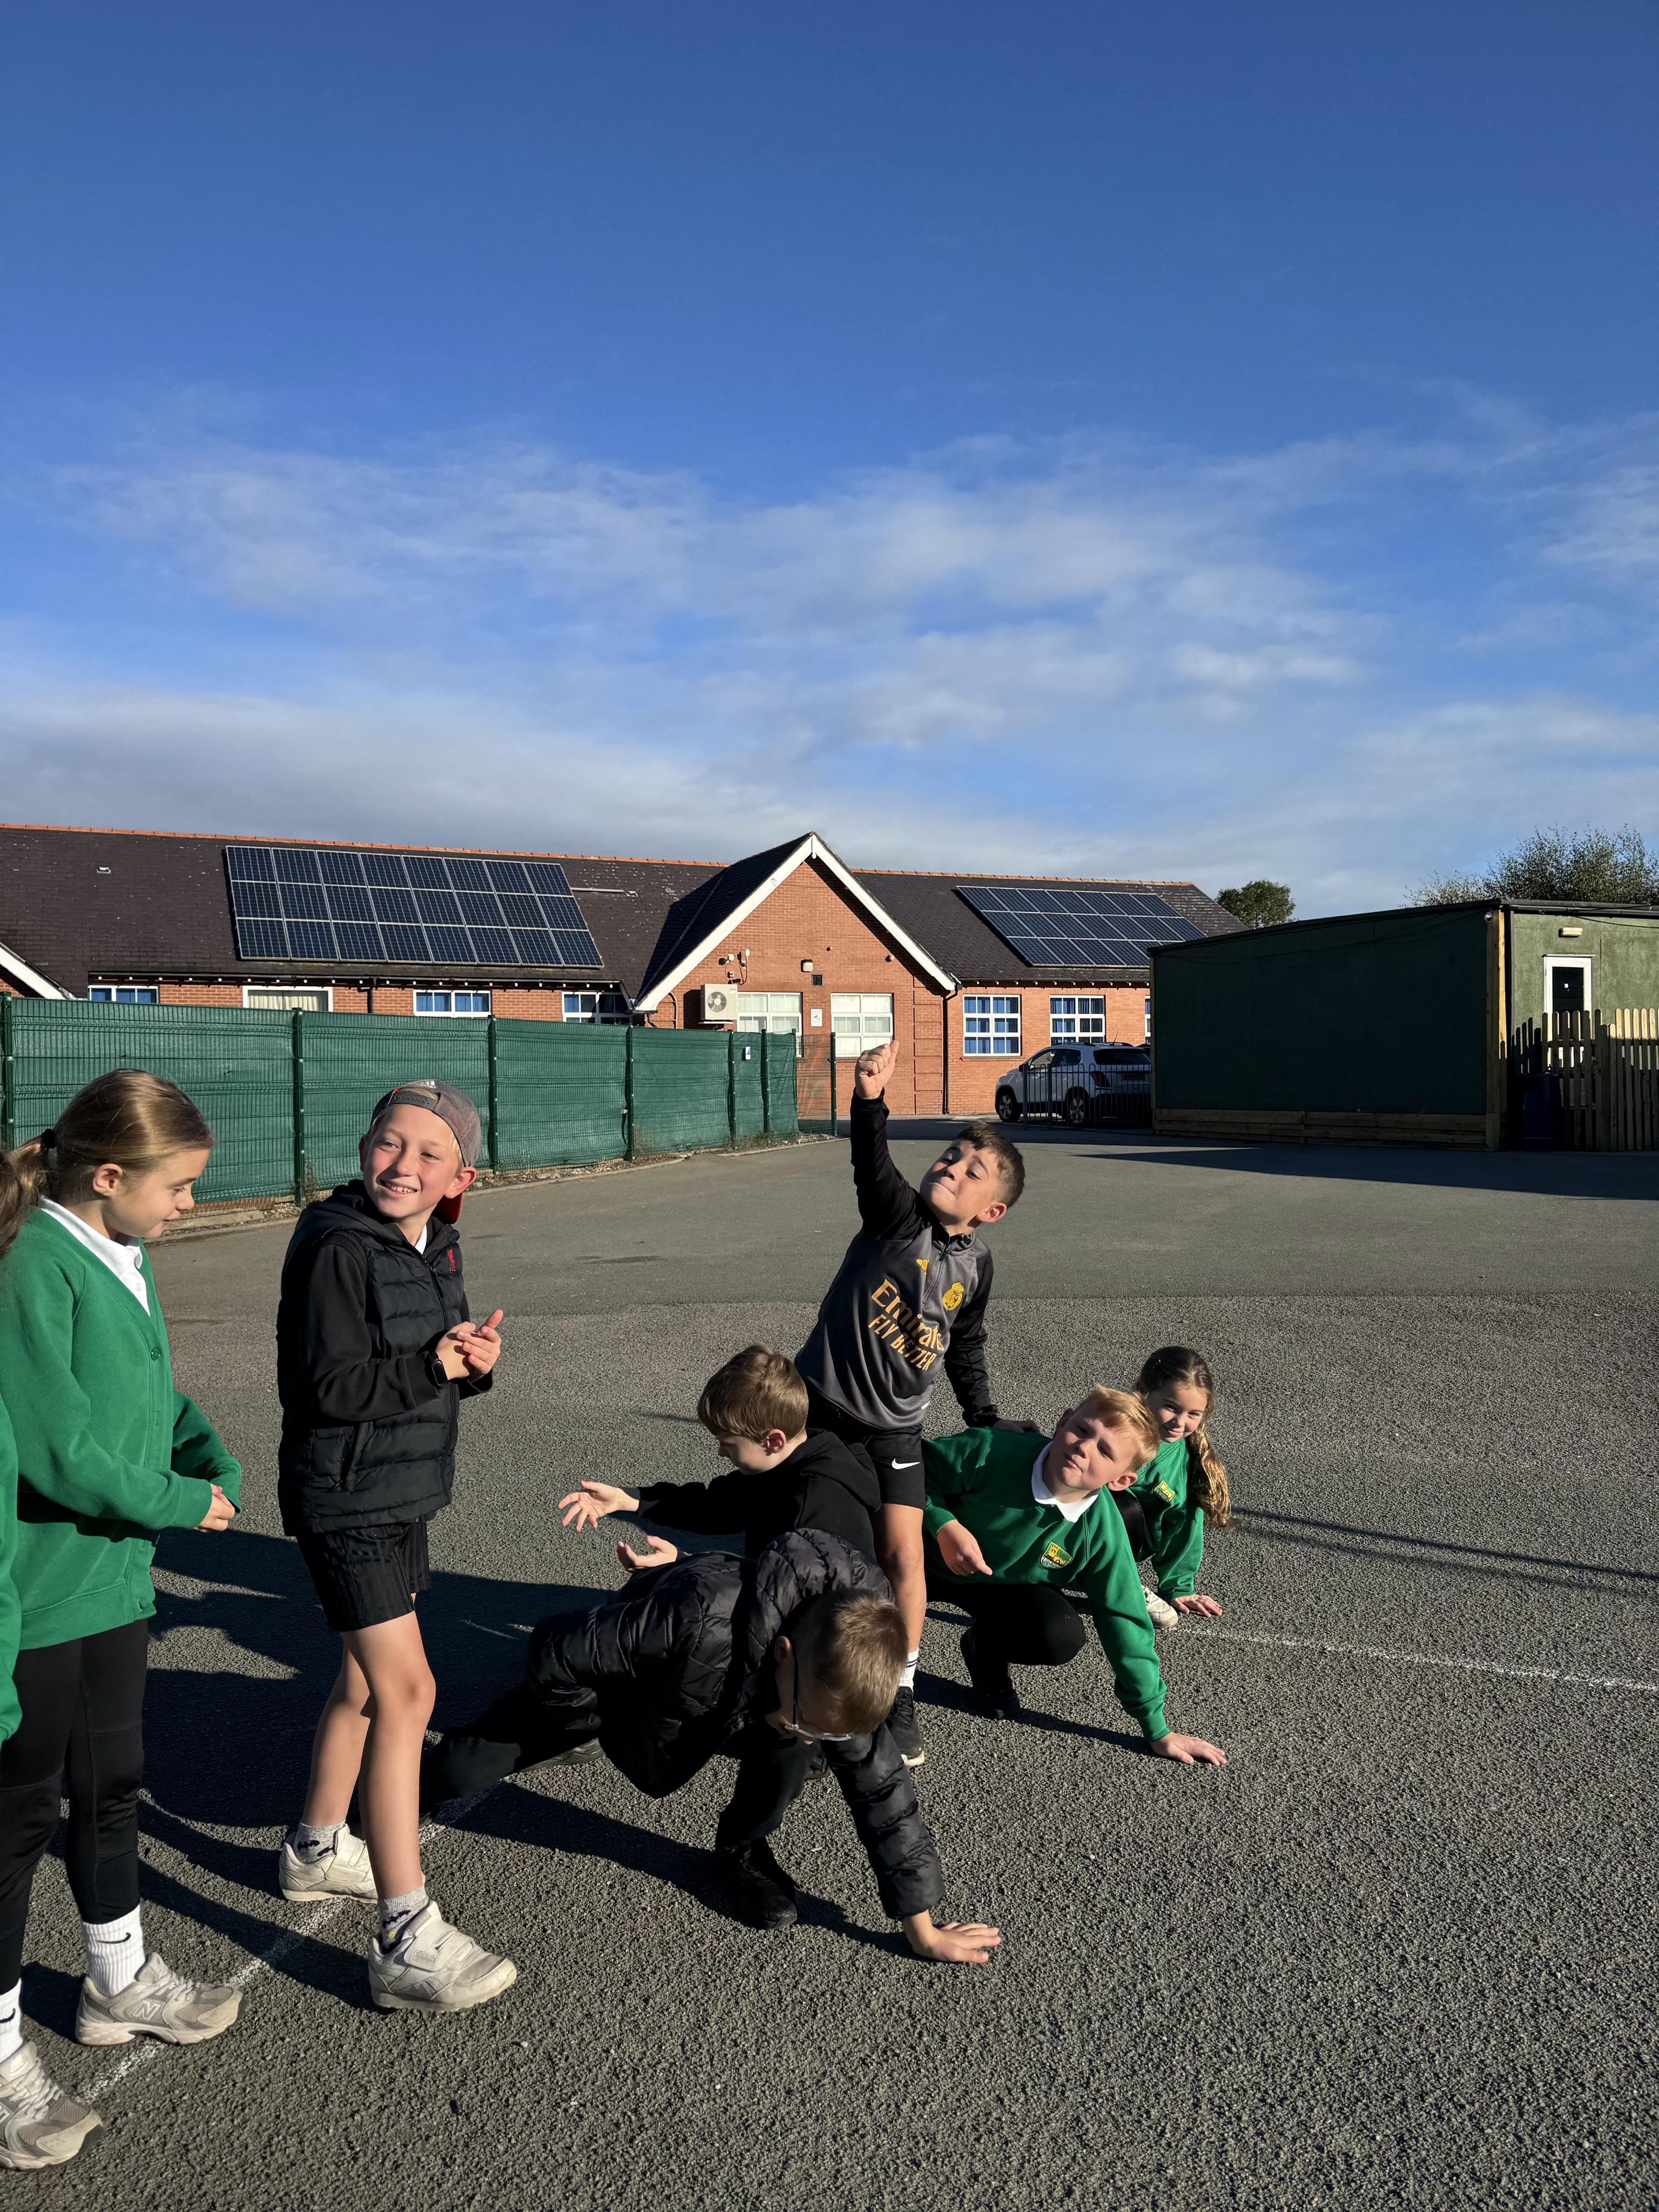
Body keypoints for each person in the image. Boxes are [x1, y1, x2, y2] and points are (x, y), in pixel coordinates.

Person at [0, 1075, 245, 2173]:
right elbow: (59, 1451)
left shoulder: (124, 1251)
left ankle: (116, 1979)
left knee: (111, 1786)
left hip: (115, 1584)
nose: (190, 1202)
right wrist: (179, 1500)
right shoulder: (32, 1265)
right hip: (44, 1591)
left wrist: (202, 1450)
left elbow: (146, 1395)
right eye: (178, 1184)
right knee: (15, 1821)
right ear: (109, 1176)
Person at [422, 1528, 1002, 1964]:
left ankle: (741, 1850)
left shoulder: (845, 1672)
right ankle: (396, 1796)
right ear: (783, 1653)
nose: (815, 1737)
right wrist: (600, 1722)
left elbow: (885, 1795)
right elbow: (555, 1651)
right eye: (811, 1720)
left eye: (828, 1731)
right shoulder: (694, 1615)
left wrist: (921, 1927)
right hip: (634, 1681)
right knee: (461, 1769)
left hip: (741, 1696)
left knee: (792, 1747)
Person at [274, 1080, 512, 2014]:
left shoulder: (435, 1242)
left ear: (461, 1179)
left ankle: (314, 1848)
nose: (402, 1164)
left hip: (398, 1489)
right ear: (364, 1143)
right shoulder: (338, 1246)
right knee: (410, 1690)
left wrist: (471, 1363)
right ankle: (405, 1935)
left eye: (428, 1153)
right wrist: (433, 1364)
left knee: (366, 1682)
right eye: (389, 1142)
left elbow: (432, 1358)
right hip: (347, 1498)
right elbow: (326, 1387)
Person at [794, 1036, 1023, 1767]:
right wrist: (869, 1099)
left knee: (905, 1558)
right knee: (808, 1541)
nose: (951, 1167)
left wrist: (984, 1416)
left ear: (992, 1210)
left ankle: (900, 1687)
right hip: (822, 1409)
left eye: (971, 1170)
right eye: (951, 1156)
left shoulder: (976, 1264)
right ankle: (796, 1676)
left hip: (896, 1429)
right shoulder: (898, 1220)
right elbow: (873, 1167)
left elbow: (965, 1344)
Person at [922, 1388, 1226, 1765]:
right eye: (1082, 1430)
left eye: (1105, 1452)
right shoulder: (991, 1450)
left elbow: (1125, 1619)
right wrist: (941, 1523)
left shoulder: (1100, 1530)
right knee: (870, 1624)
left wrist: (1157, 1729)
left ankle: (984, 1646)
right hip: (918, 1560)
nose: (1084, 1448)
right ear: (1063, 1421)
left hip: (998, 1585)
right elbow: (904, 1471)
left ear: (1121, 1481)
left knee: (1059, 1635)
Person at [557, 1344, 880, 1562]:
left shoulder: (814, 1508)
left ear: (773, 1441)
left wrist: (680, 1565)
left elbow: (774, 1595)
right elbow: (715, 1506)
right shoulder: (787, 1464)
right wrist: (626, 1499)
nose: (721, 1452)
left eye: (728, 1443)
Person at [1126, 1346, 1230, 1632]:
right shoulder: (1109, 1424)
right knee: (1112, 1498)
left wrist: (1178, 1587)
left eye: (1193, 1413)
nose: (1180, 1422)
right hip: (1068, 1522)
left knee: (1125, 1509)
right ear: (1144, 1391)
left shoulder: (1184, 1462)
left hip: (1120, 1539)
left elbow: (1184, 1525)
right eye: (1171, 1407)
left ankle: (1119, 1578)